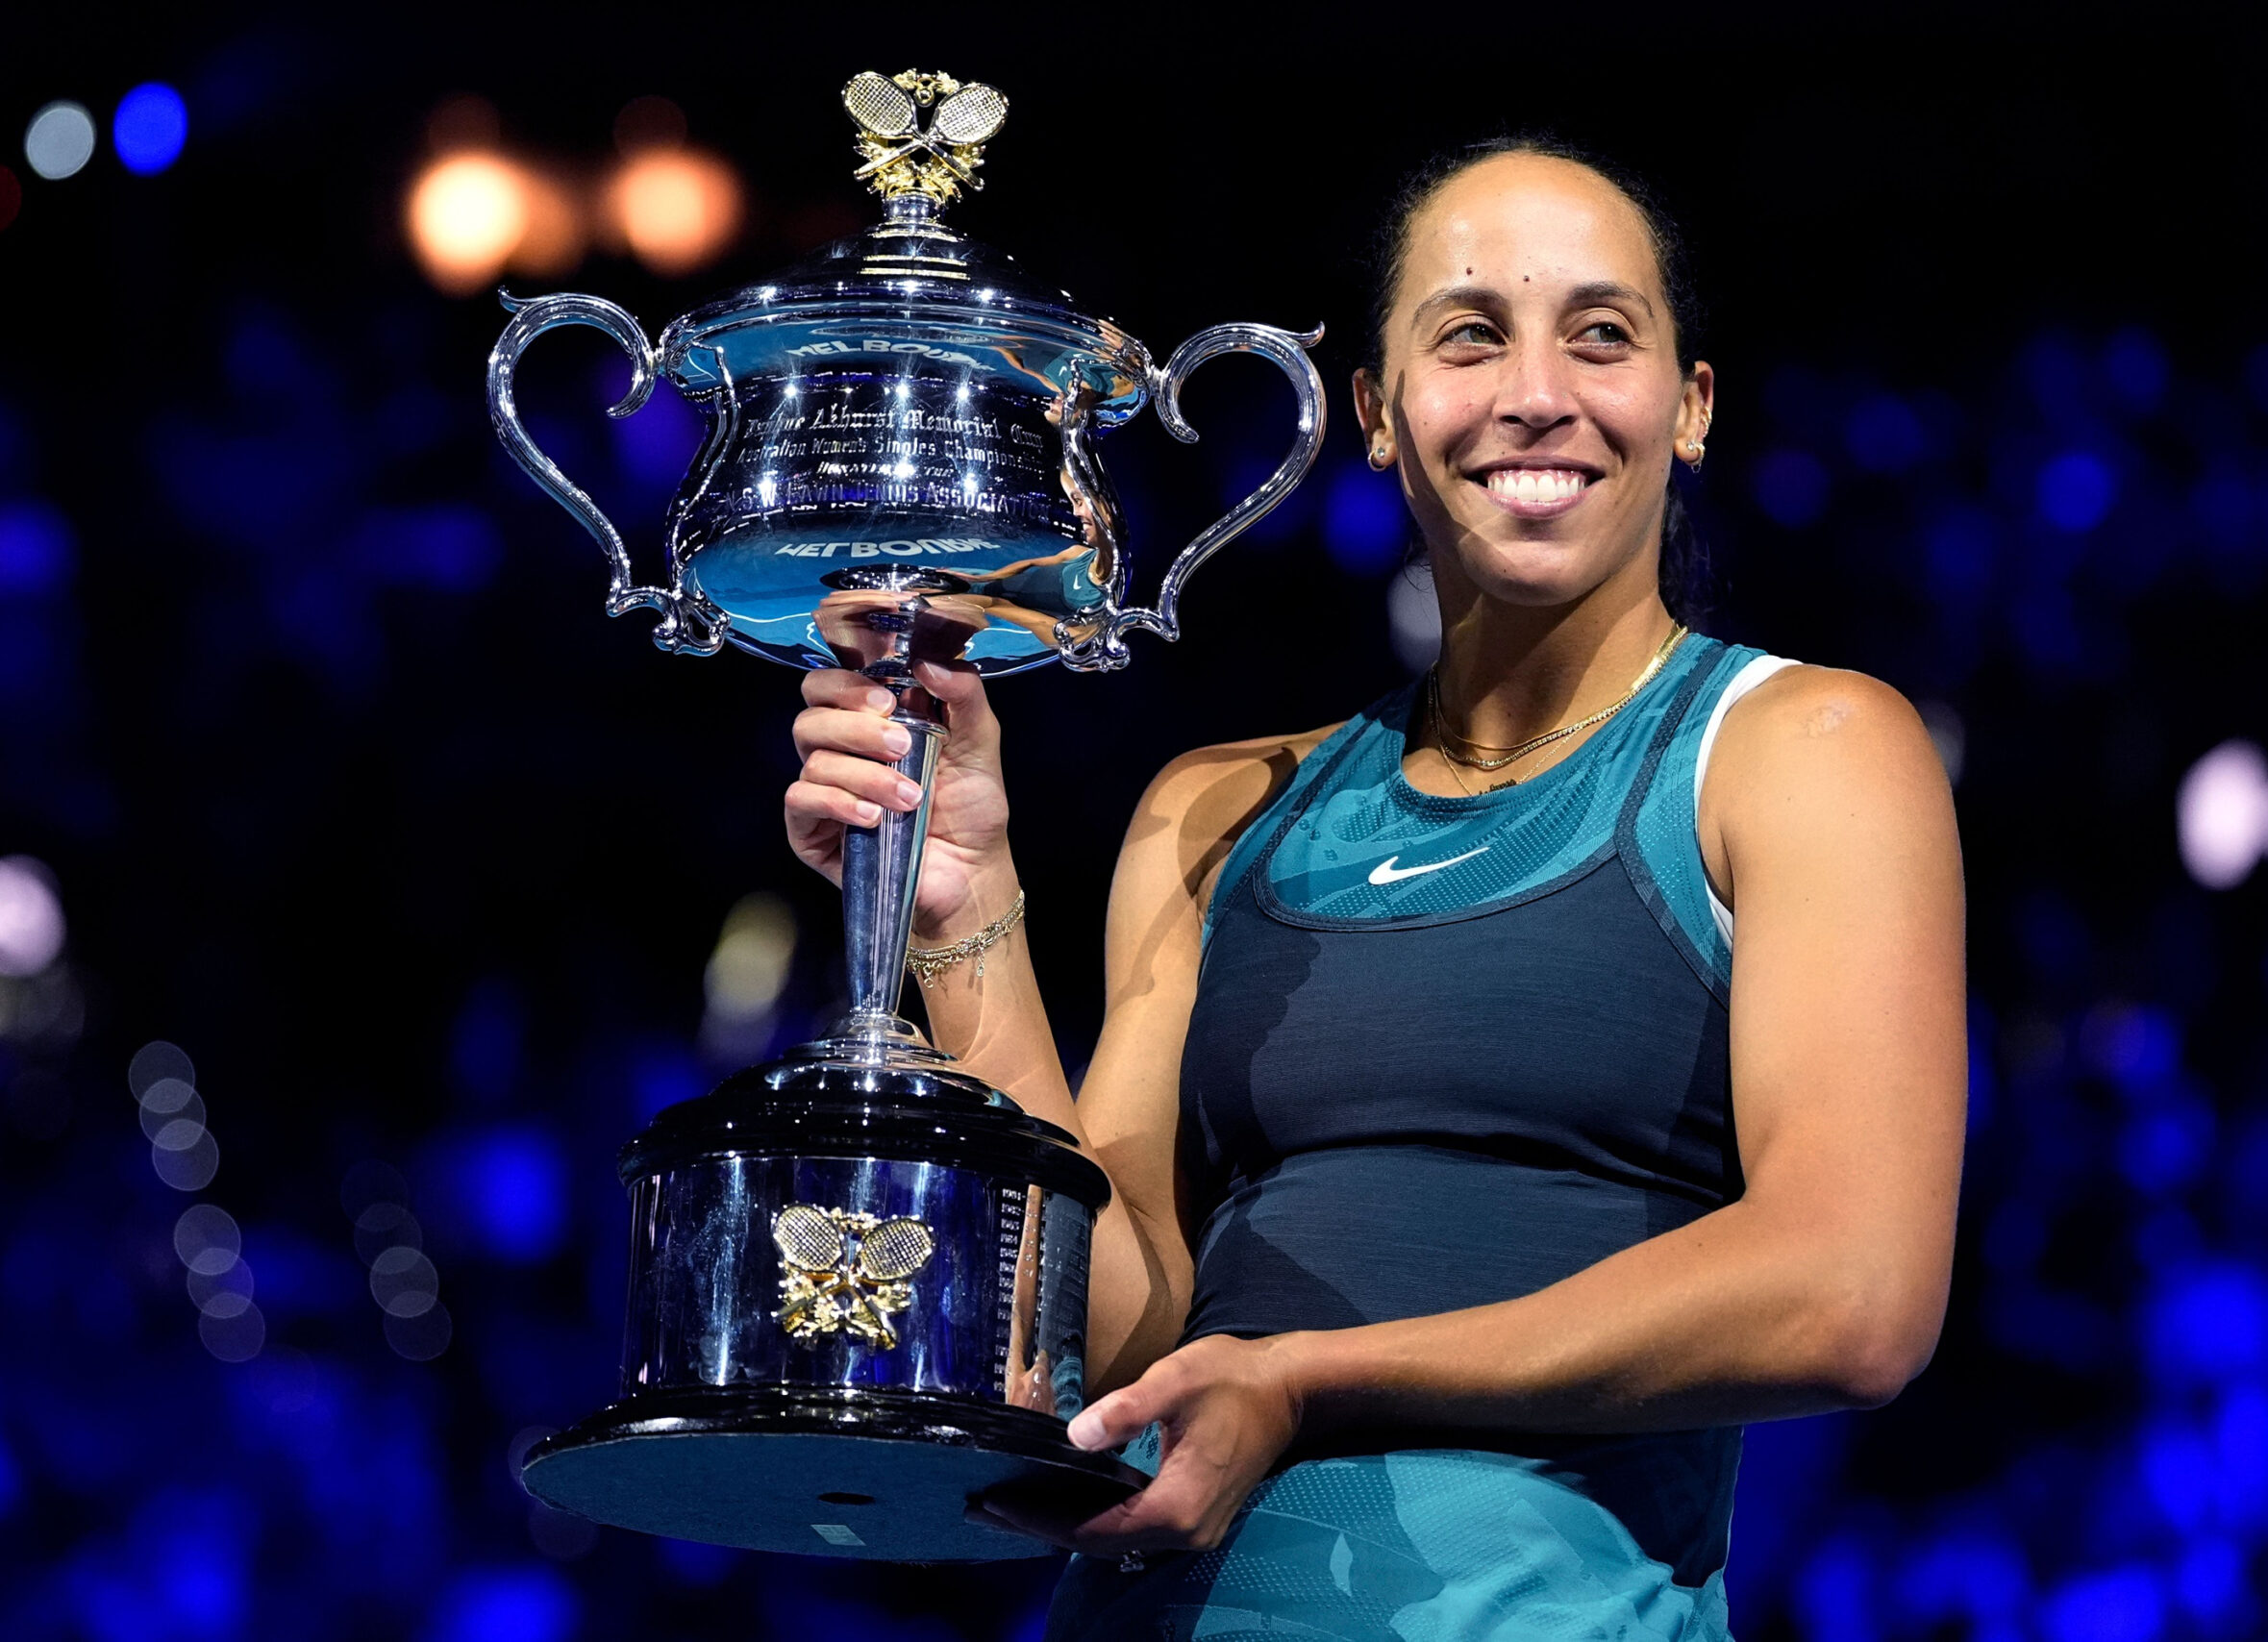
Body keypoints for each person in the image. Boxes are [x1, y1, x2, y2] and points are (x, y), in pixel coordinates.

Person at [784, 137, 1967, 1640]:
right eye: (1470, 334)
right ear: (1380, 420)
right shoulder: (1219, 809)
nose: (1536, 390)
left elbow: (1850, 1293)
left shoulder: (1799, 749)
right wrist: (963, 909)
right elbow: (1108, 1330)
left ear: (1692, 408)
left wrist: (1304, 1380)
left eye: (1602, 335)